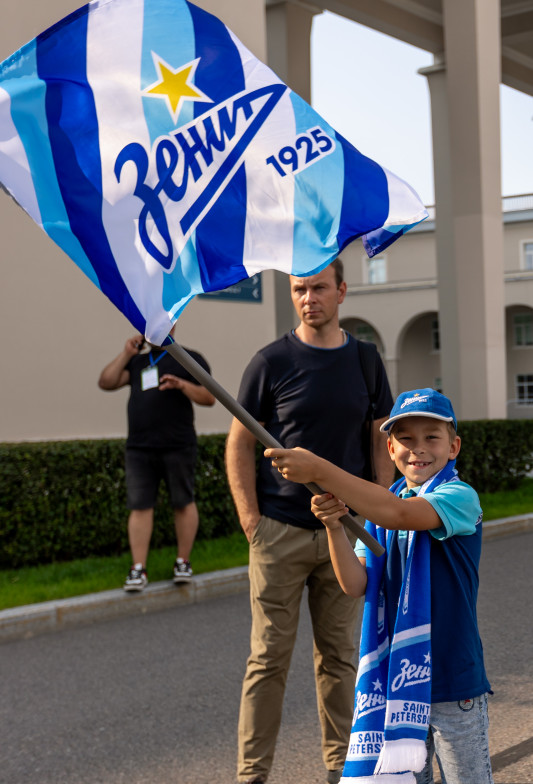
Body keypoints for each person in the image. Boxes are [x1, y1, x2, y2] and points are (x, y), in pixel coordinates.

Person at [265, 388, 493, 784]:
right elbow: (356, 584)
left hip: (455, 682)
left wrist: (319, 468)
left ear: (454, 447)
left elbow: (400, 514)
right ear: (389, 448)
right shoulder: (379, 508)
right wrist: (335, 526)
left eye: (431, 437)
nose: (417, 449)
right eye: (405, 438)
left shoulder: (458, 496)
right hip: (397, 686)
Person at [225, 258, 395, 784]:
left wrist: (379, 504)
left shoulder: (366, 361)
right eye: (299, 289)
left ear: (342, 292)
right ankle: (252, 775)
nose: (308, 298)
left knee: (340, 661)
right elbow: (238, 442)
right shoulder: (271, 361)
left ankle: (342, 770)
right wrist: (252, 521)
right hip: (280, 531)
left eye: (318, 288)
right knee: (268, 660)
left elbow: (379, 437)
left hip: (346, 534)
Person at [98, 327, 215, 591]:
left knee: (183, 502)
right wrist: (126, 354)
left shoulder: (189, 358)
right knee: (140, 506)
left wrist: (182, 385)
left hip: (178, 445)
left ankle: (182, 562)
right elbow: (106, 382)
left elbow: (209, 398)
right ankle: (138, 569)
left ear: (172, 325)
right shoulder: (138, 361)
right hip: (140, 447)